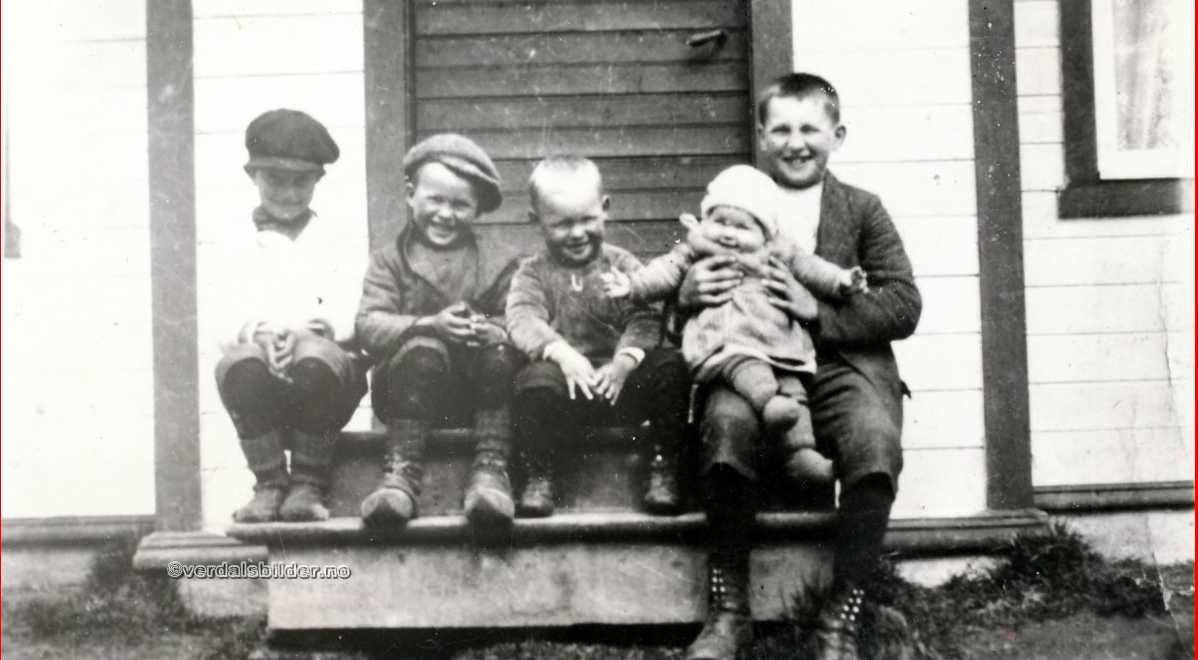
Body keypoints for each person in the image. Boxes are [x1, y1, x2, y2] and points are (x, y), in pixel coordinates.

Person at [679, 74, 922, 660]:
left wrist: (818, 311)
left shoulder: (861, 209)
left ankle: (839, 625)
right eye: (781, 129)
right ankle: (729, 610)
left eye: (809, 129)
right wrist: (686, 294)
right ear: (762, 136)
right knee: (727, 424)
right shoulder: (731, 201)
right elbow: (678, 274)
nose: (795, 142)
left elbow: (903, 303)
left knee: (874, 441)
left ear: (836, 136)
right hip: (752, 359)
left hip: (840, 363)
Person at [603, 164, 866, 484]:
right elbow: (664, 271)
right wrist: (633, 284)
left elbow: (812, 269)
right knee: (748, 370)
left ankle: (800, 454)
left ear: (765, 232)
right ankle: (767, 402)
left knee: (793, 389)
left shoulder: (778, 251)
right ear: (705, 221)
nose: (728, 233)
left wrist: (841, 281)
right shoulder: (695, 250)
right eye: (720, 222)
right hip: (723, 342)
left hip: (775, 343)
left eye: (742, 227)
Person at [354, 134, 525, 533]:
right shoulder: (388, 261)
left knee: (501, 351)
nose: (445, 214)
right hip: (409, 395)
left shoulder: (500, 261)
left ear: (477, 208)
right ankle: (400, 475)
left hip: (478, 397)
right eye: (435, 200)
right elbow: (368, 324)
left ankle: (490, 470)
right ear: (410, 195)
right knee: (424, 349)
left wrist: (490, 330)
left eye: (460, 204)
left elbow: (521, 320)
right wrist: (429, 324)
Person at [505, 156, 690, 517]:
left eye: (587, 219)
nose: (577, 233)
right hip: (567, 390)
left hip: (620, 386)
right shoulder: (532, 273)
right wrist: (563, 355)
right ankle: (539, 475)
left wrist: (623, 363)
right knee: (532, 382)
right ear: (536, 221)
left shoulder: (622, 265)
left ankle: (663, 466)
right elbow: (522, 318)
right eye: (562, 223)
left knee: (671, 367)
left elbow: (645, 316)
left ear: (605, 209)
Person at [214, 109, 368, 523]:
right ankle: (269, 483)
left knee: (315, 357)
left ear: (318, 179)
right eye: (275, 180)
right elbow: (222, 312)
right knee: (237, 364)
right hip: (267, 373)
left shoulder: (339, 239)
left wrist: (307, 333)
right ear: (253, 176)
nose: (288, 193)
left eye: (301, 181)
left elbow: (354, 307)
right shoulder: (235, 242)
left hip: (325, 375)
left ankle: (308, 482)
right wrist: (260, 334)